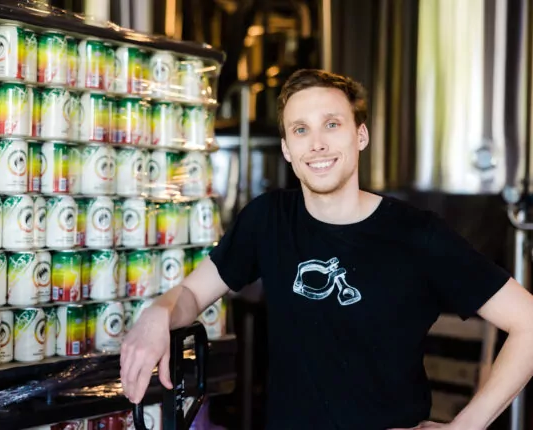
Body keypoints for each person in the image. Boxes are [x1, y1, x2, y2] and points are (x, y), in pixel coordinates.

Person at [120, 69, 533, 429]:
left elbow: (528, 322)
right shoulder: (268, 220)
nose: (316, 143)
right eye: (300, 129)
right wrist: (157, 313)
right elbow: (192, 293)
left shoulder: (416, 234)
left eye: (331, 124)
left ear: (360, 135)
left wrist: (466, 426)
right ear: (287, 148)